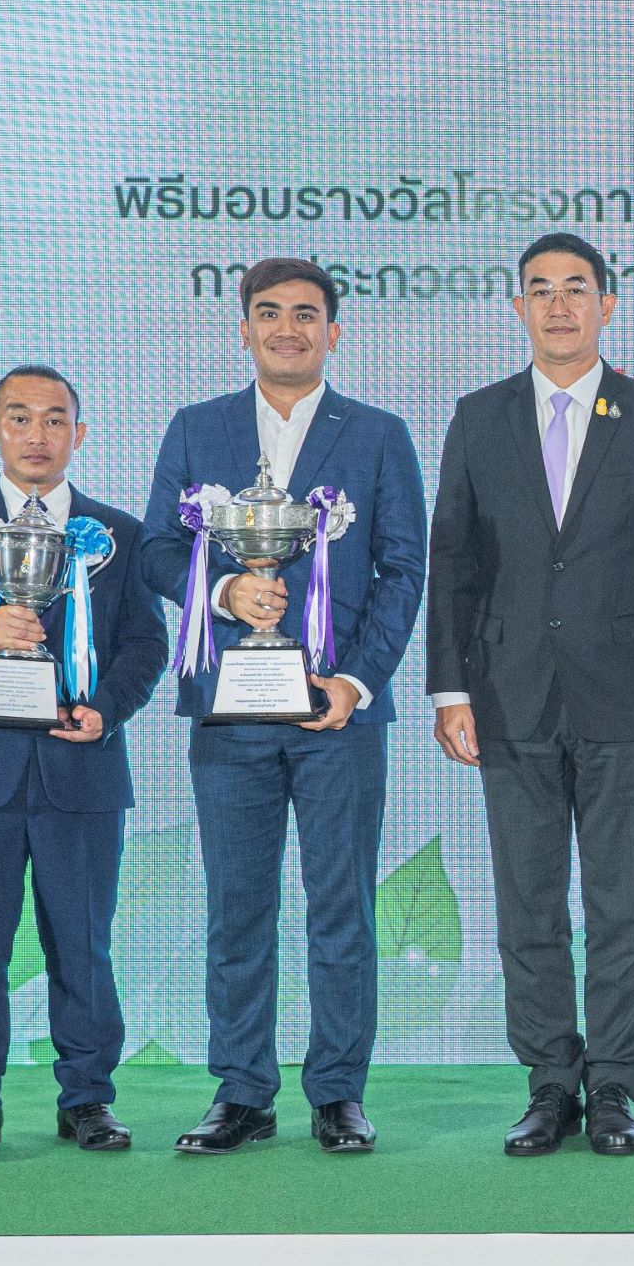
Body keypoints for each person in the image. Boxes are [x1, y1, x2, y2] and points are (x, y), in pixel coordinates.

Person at [427, 232, 634, 1157]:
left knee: (622, 907)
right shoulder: (479, 417)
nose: (558, 305)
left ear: (606, 306)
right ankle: (549, 1081)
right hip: (507, 699)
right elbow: (452, 560)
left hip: (629, 699)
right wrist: (449, 687)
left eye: (576, 288)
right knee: (529, 905)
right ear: (518, 307)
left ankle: (616, 1085)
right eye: (540, 289)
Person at [140, 258, 427, 1156]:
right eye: (269, 313)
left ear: (333, 332)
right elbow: (156, 551)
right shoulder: (198, 428)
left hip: (337, 714)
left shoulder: (377, 434)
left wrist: (357, 681)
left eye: (306, 314)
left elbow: (404, 569)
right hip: (230, 713)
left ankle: (338, 1092)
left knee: (341, 908)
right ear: (244, 329)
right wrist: (224, 591)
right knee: (237, 909)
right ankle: (242, 1091)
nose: (287, 328)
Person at [0, 365, 169, 1161]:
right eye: (19, 418)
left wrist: (107, 707)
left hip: (81, 771)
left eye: (54, 419)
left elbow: (147, 644)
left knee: (83, 946)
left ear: (79, 433)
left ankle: (87, 1098)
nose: (37, 435)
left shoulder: (117, 535)